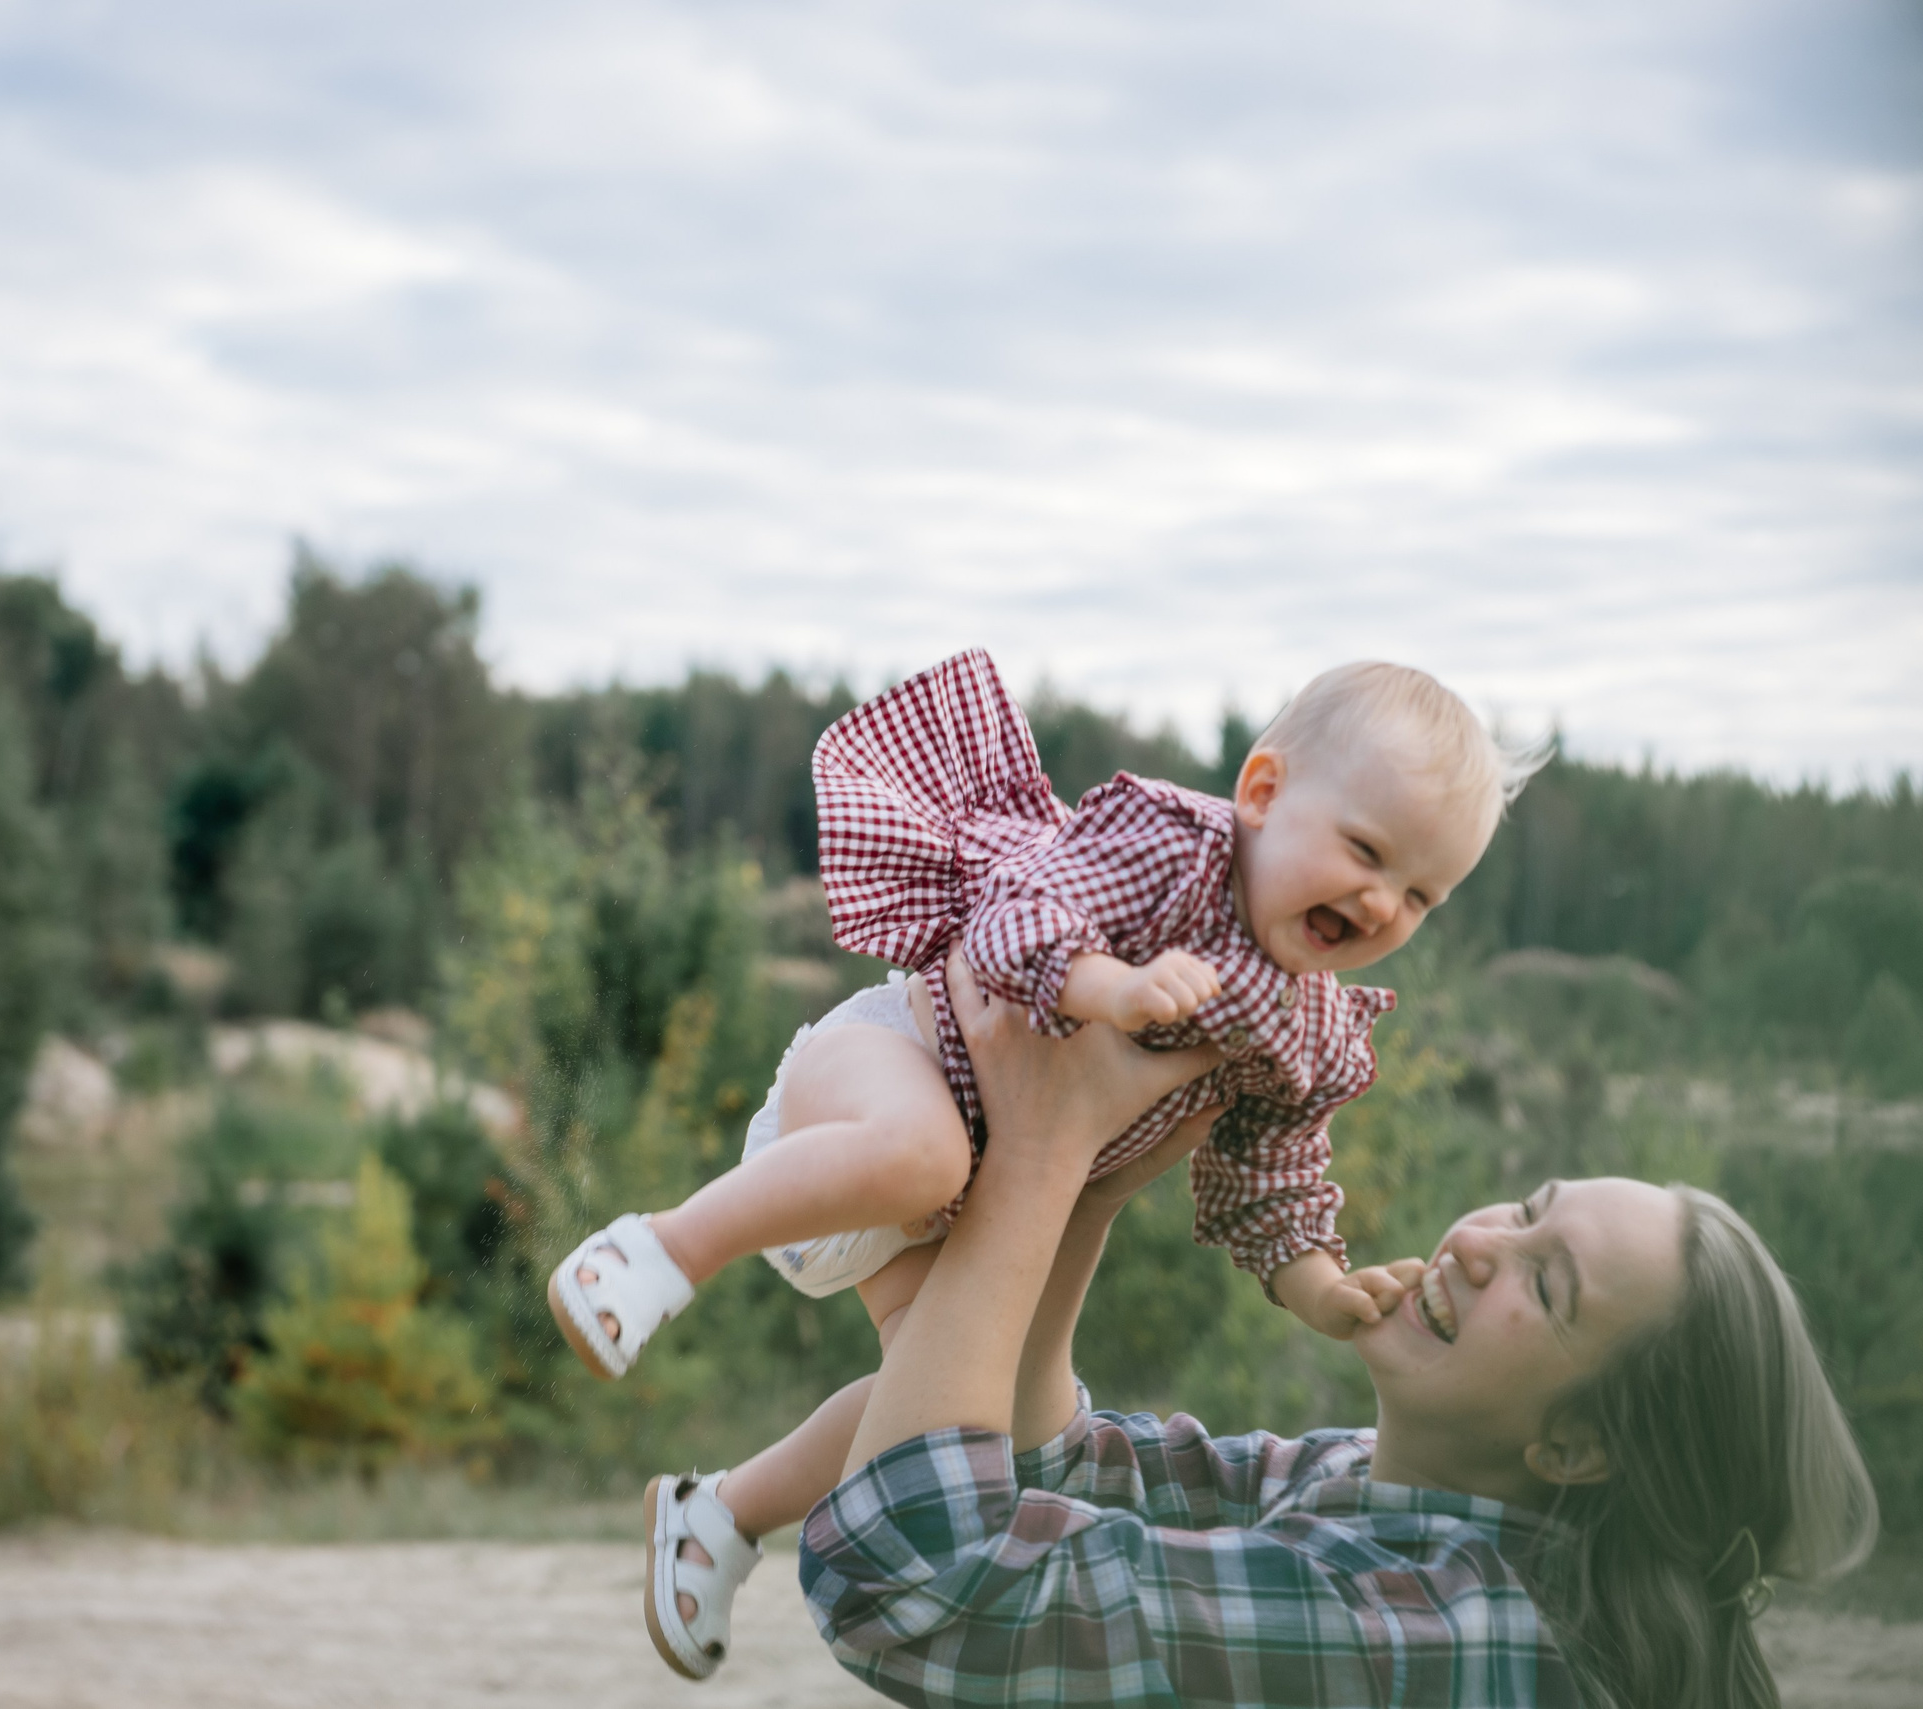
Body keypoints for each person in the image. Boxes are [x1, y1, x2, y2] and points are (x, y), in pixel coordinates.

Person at [548, 650, 1520, 1675]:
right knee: (922, 1153)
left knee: (952, 1402)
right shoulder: (1171, 850)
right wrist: (1106, 985)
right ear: (1263, 793)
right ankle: (655, 1250)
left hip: (962, 1194)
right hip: (890, 1064)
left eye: (1421, 895)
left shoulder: (1306, 1023)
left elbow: (1271, 1172)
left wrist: (1317, 1283)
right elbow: (1019, 906)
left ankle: (719, 1517)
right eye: (1366, 852)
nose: (1380, 904)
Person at [772, 953, 1880, 1709]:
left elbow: (909, 1582)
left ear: (1577, 1447)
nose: (1486, 1243)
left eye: (1547, 1288)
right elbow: (1054, 1465)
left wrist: (1036, 1150)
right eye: (1531, 1208)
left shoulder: (1452, 1632)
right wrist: (1087, 1189)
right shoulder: (1379, 1483)